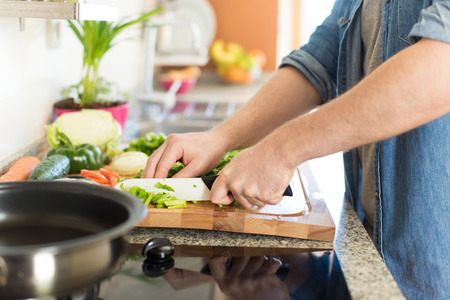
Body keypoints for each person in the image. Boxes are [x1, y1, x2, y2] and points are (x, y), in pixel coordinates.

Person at [143, 1, 450, 298]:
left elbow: (442, 63)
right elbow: (321, 59)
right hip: (370, 253)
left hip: (430, 274)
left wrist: (281, 150)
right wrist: (220, 138)